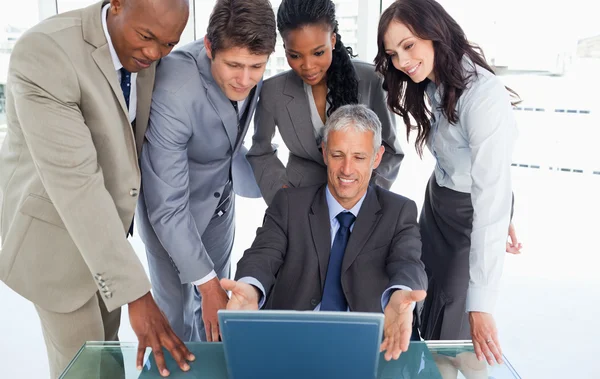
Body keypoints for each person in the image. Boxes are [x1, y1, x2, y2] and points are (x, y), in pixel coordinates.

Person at [0, 0, 193, 377]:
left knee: (109, 361)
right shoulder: (45, 53)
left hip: (106, 240)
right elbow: (76, 183)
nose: (154, 53)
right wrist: (138, 293)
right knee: (84, 370)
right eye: (147, 37)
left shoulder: (148, 55)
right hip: (52, 241)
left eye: (168, 44)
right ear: (117, 4)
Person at [222, 104, 428, 361]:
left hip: (366, 349)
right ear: (324, 153)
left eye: (359, 157)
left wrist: (399, 295)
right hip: (292, 346)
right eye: (338, 155)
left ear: (377, 158)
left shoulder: (399, 211)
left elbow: (408, 262)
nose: (347, 169)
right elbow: (262, 254)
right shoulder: (289, 204)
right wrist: (251, 288)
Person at [375, 0, 519, 365]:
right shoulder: (435, 82)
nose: (402, 61)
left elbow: (490, 189)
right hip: (436, 206)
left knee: (459, 324)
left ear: (435, 31)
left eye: (408, 45)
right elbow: (468, 164)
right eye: (393, 53)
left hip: (469, 216)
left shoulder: (483, 96)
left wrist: (483, 306)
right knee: (428, 301)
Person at [135, 0, 276, 343]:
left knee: (215, 318)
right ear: (210, 47)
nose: (245, 80)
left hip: (220, 204)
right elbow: (167, 206)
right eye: (234, 66)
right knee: (175, 321)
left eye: (256, 66)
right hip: (170, 212)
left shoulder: (246, 67)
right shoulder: (174, 90)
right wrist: (207, 285)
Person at [247, 0, 403, 206]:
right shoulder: (272, 91)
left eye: (318, 52)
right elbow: (260, 151)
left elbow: (390, 150)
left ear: (333, 40)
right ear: (284, 48)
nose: (308, 66)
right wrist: (280, 193)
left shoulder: (372, 81)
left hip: (358, 200)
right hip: (297, 200)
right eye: (295, 55)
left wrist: (367, 196)